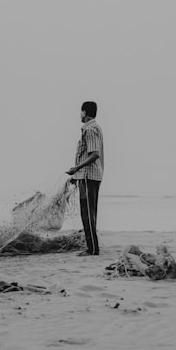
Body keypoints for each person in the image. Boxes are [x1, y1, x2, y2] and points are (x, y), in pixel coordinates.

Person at [66, 101, 104, 256]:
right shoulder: (92, 128)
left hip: (89, 176)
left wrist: (77, 168)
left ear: (85, 112)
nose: (79, 114)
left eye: (80, 111)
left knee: (88, 213)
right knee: (88, 212)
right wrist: (76, 175)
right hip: (87, 176)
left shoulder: (90, 129)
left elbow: (95, 155)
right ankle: (91, 247)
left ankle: (93, 249)